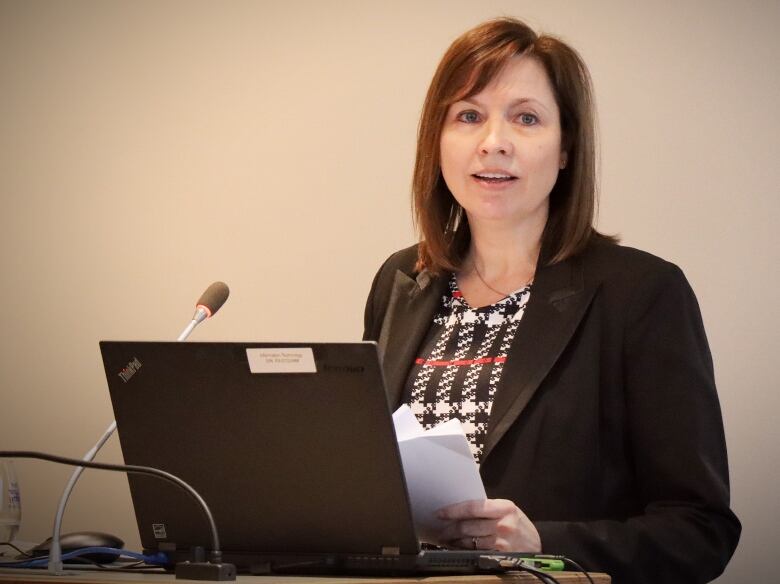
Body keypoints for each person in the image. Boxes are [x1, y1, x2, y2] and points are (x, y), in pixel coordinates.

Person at [362, 17, 740, 584]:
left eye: (526, 117)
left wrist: (544, 543)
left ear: (565, 149)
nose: (494, 142)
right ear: (437, 142)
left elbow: (700, 531)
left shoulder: (642, 294)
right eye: (468, 115)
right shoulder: (400, 280)